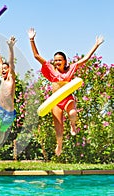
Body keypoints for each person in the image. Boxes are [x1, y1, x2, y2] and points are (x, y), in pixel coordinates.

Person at [28, 27, 104, 156]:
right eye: (55, 60)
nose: (57, 62)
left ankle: (73, 125)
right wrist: (31, 39)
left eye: (59, 60)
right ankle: (59, 145)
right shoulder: (50, 68)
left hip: (67, 98)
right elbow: (36, 55)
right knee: (58, 128)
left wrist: (96, 45)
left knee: (73, 113)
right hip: (56, 101)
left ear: (65, 61)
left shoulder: (71, 69)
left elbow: (85, 59)